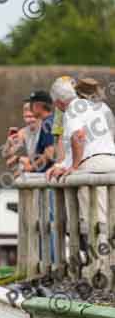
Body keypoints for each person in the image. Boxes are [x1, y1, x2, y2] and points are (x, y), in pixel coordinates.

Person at [47, 75, 115, 238]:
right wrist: (61, 165)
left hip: (92, 167)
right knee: (111, 218)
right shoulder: (97, 107)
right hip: (111, 162)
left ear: (58, 103)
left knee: (96, 222)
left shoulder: (72, 110)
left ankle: (100, 255)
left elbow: (78, 136)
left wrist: (74, 167)